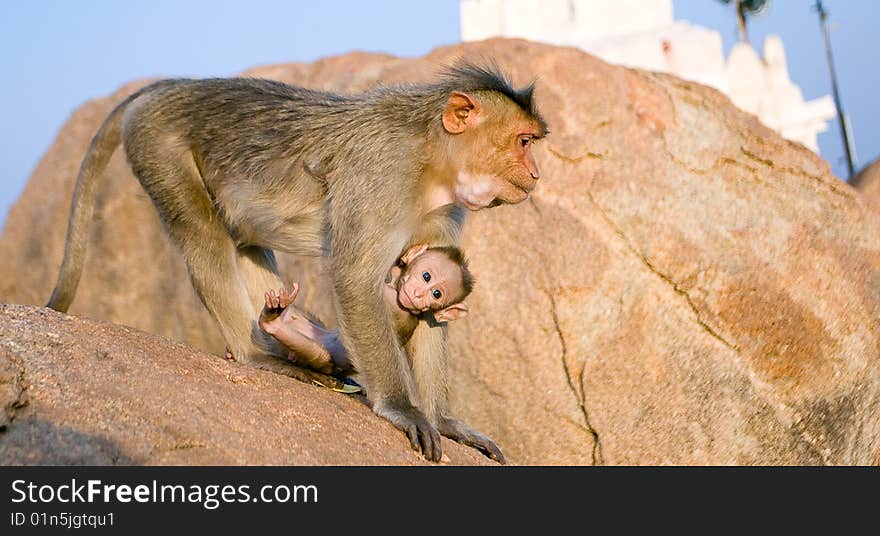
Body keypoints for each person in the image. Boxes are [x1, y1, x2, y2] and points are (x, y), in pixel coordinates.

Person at [259, 244, 474, 376]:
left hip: (333, 359)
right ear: (414, 254)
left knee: (316, 352)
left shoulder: (405, 316)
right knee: (290, 314)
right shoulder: (395, 274)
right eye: (426, 277)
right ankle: (266, 342)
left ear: (444, 313)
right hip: (327, 334)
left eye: (435, 294)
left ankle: (273, 328)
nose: (420, 292)